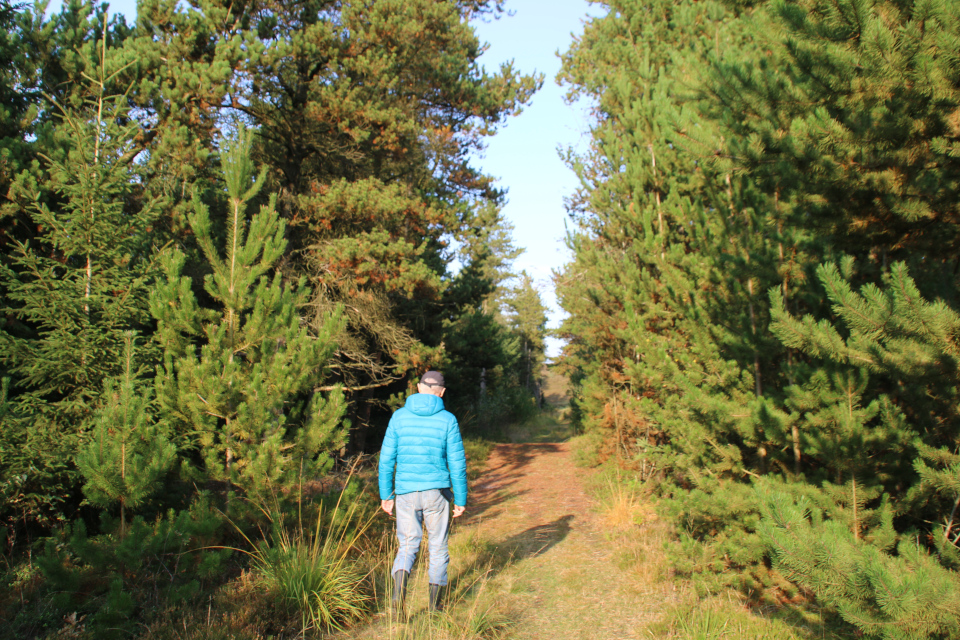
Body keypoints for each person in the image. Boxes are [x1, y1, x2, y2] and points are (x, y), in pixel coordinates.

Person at [378, 370, 467, 613]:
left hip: (406, 492)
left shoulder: (398, 417)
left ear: (418, 388)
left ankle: (397, 600)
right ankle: (435, 607)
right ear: (442, 392)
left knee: (407, 545)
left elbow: (386, 460)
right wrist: (460, 499)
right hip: (437, 493)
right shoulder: (448, 419)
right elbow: (457, 463)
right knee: (438, 546)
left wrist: (386, 495)